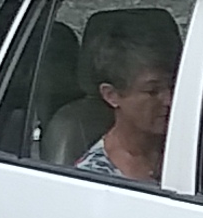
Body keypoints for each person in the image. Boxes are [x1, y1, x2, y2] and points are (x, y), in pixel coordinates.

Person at [74, 11, 181, 184]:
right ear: (112, 95)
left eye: (174, 87)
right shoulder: (94, 179)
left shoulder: (197, 146)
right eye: (152, 92)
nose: (169, 101)